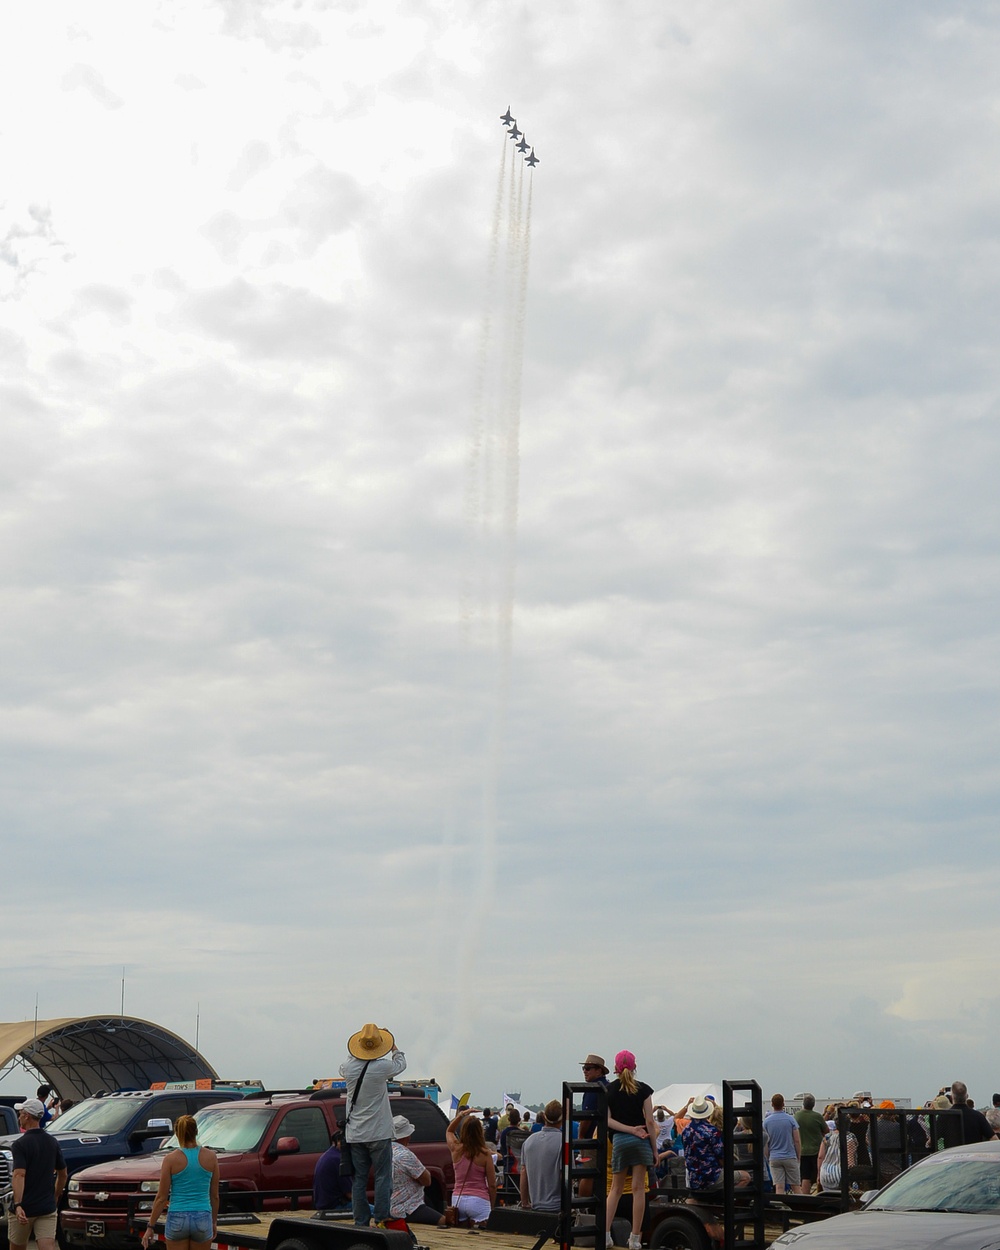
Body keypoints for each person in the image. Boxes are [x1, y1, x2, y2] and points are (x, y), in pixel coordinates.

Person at [339, 1023, 407, 1227]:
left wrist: (358, 1048)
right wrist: (393, 1045)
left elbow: (348, 1061)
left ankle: (360, 1220)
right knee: (382, 1176)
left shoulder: (348, 1069)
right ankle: (381, 1215)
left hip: (355, 1134)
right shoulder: (382, 1068)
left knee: (359, 1179)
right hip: (378, 1132)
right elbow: (401, 1064)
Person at [141, 1114, 219, 1250]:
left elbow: (161, 1198)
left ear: (177, 1134)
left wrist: (150, 1226)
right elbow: (215, 1196)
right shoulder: (211, 1157)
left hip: (177, 1217)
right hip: (202, 1216)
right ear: (196, 1131)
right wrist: (213, 1222)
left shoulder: (170, 1159)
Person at [605, 1050, 658, 1250]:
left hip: (619, 1141)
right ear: (634, 1067)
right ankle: (635, 1239)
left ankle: (605, 1234)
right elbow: (650, 1121)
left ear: (616, 1068)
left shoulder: (608, 1090)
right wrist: (654, 1149)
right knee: (638, 1190)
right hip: (642, 1142)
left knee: (615, 1190)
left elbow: (607, 1120)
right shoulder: (644, 1089)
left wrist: (628, 1130)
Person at [8, 1098, 67, 1250]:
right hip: (46, 1207)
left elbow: (19, 1175)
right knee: (48, 1246)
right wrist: (54, 1196)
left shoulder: (20, 1144)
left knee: (17, 1246)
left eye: (20, 1113)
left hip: (25, 1207)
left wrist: (18, 1204)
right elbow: (63, 1174)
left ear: (27, 1116)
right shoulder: (52, 1142)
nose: (19, 1117)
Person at [390, 1115, 444, 1225]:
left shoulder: (383, 1152)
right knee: (443, 1220)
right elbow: (427, 1180)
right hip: (408, 1208)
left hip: (388, 1207)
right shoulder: (405, 1155)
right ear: (406, 1136)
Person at [446, 1107, 496, 1226]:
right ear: (480, 1132)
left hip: (458, 1198)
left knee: (461, 1237)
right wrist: (492, 1205)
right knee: (484, 1237)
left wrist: (461, 1115)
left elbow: (449, 1131)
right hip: (479, 1199)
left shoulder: (456, 1149)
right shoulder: (485, 1154)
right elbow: (492, 1185)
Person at [519, 1100, 562, 1212]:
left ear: (544, 1116)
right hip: (558, 1206)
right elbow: (564, 1176)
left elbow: (524, 1172)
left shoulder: (528, 1141)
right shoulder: (564, 1142)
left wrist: (524, 1202)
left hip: (535, 1205)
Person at [579, 1054, 610, 1200]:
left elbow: (586, 1117)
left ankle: (582, 1207)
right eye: (584, 1068)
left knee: (588, 1174)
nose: (585, 1071)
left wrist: (580, 1138)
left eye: (588, 1068)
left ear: (599, 1070)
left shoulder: (592, 1089)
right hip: (609, 1139)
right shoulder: (608, 1086)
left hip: (592, 1141)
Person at [763, 1094, 800, 1195]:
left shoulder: (766, 1122)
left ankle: (781, 1207)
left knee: (779, 1187)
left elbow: (766, 1143)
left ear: (772, 1104)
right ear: (783, 1104)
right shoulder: (790, 1120)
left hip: (774, 1157)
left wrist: (768, 1156)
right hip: (789, 1156)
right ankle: (801, 1207)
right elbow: (796, 1140)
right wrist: (798, 1156)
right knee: (795, 1186)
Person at [794, 1094, 827, 1195]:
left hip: (803, 1151)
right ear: (813, 1104)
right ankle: (820, 1195)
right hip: (817, 1150)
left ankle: (806, 1198)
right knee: (819, 1174)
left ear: (803, 1104)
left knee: (805, 1176)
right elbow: (826, 1130)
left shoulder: (797, 1116)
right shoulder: (817, 1116)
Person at [313, 1130, 353, 1212]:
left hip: (323, 1205)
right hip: (336, 1206)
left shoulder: (328, 1155)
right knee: (377, 1212)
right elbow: (350, 1194)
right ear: (339, 1142)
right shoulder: (339, 1160)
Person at [818, 1111, 856, 1193]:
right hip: (840, 1176)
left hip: (825, 1174)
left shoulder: (827, 1137)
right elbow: (850, 1162)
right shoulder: (849, 1138)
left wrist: (818, 1174)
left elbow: (821, 1156)